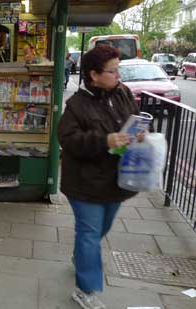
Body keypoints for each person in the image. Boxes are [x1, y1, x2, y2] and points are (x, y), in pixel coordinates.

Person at [58, 45, 141, 309]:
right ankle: (86, 289)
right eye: (112, 71)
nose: (118, 76)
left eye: (119, 70)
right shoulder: (76, 105)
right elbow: (67, 139)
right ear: (93, 74)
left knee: (100, 229)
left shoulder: (124, 93)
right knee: (89, 233)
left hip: (115, 179)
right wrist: (104, 140)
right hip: (84, 181)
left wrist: (137, 132)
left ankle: (81, 258)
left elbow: (133, 119)